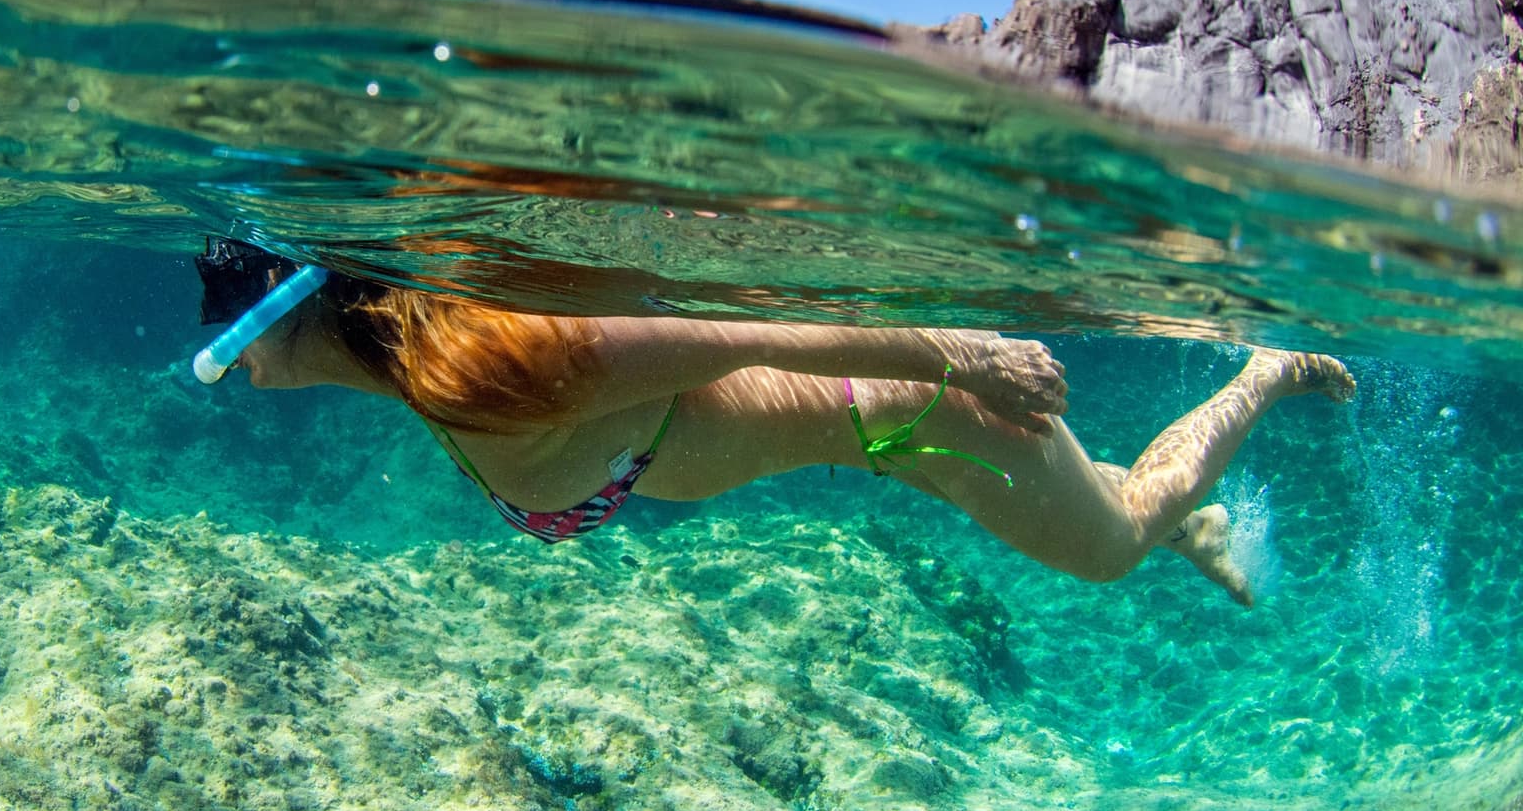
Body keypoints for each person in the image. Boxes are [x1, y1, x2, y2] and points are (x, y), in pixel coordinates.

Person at [196, 239, 1355, 606]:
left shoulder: (489, 373)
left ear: (284, 314)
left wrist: (964, 358)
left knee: (1111, 547)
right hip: (873, 427)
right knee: (1104, 511)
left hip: (908, 413)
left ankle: (1253, 380)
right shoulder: (416, 346)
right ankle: (1184, 525)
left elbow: (746, 338)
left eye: (223, 337)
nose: (226, 366)